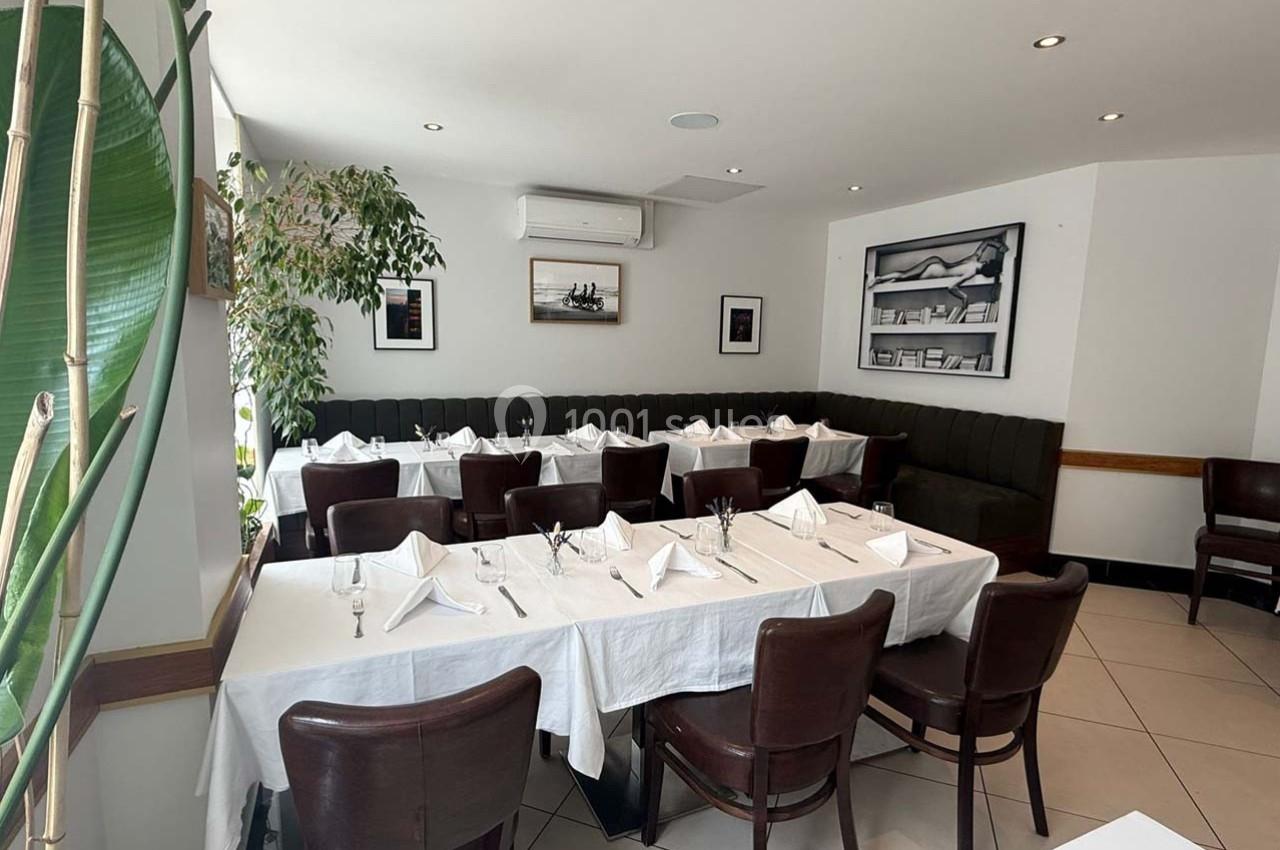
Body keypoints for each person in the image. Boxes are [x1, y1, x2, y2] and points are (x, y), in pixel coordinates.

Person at [869, 237, 1009, 308]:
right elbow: (951, 287)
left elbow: (985, 243)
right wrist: (964, 298)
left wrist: (999, 246)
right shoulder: (972, 272)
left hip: (937, 261)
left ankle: (882, 279)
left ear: (987, 262)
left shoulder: (974, 258)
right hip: (938, 271)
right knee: (906, 277)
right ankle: (880, 279)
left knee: (905, 275)